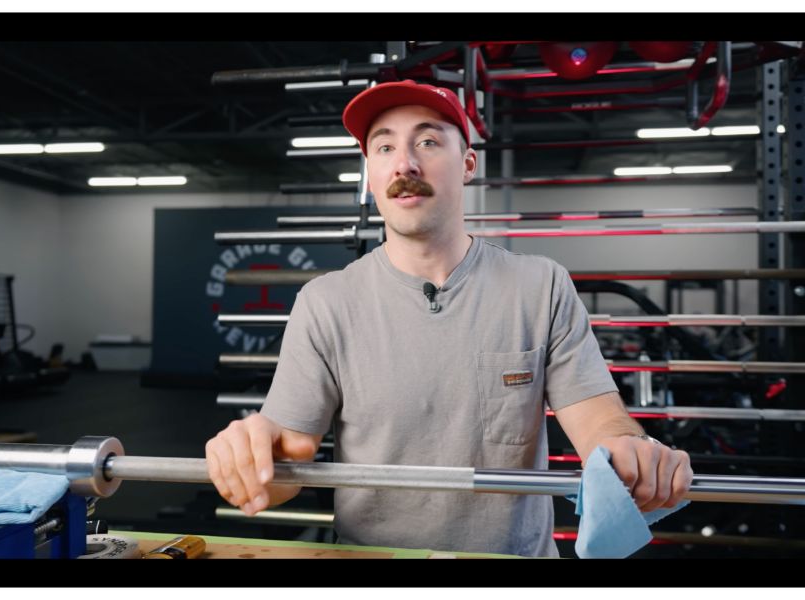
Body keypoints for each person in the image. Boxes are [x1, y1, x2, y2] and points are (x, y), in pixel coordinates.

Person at [205, 79, 693, 557]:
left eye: (428, 141)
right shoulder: (326, 302)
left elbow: (599, 421)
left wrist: (631, 450)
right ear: (370, 172)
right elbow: (285, 468)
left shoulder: (540, 286)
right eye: (384, 147)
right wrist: (249, 461)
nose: (405, 163)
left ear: (467, 164)